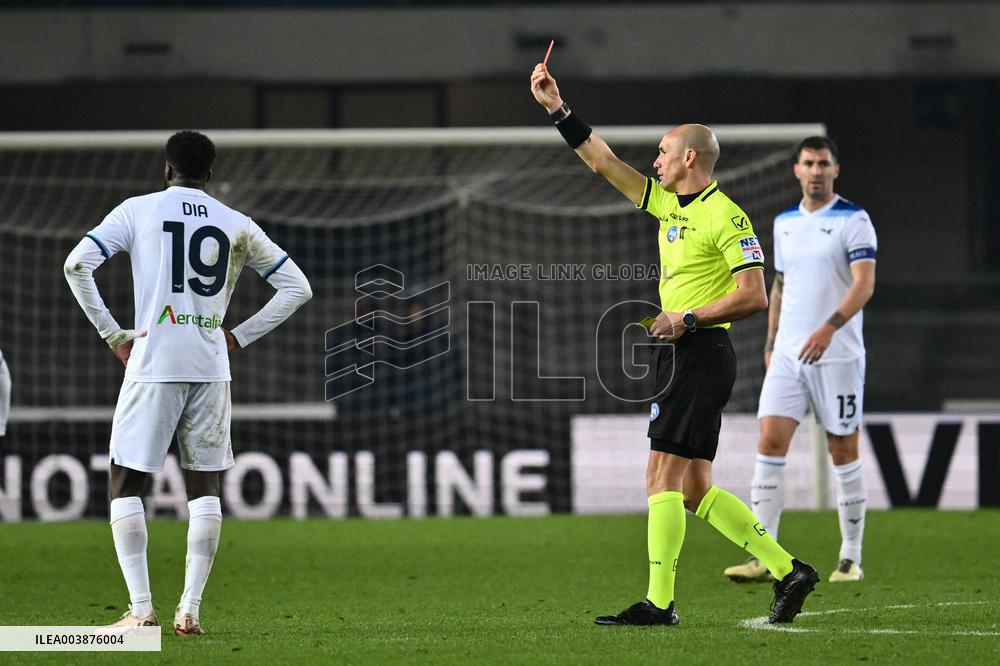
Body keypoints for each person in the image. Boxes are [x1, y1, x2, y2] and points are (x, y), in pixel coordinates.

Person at [530, 64, 818, 625]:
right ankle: (788, 569)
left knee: (660, 475)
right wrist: (556, 108)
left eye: (663, 151)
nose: (654, 160)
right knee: (692, 488)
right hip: (688, 355)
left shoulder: (726, 216)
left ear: (690, 158)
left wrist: (686, 316)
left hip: (701, 353)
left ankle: (659, 603)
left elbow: (754, 294)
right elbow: (603, 162)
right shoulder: (668, 206)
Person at [64, 131, 312, 634]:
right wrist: (236, 338)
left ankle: (141, 611)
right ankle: (190, 611)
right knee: (204, 485)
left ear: (167, 170)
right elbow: (298, 288)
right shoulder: (236, 223)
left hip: (153, 360)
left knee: (125, 479)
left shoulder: (138, 210)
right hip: (209, 365)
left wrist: (113, 334)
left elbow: (77, 264)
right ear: (210, 175)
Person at [724, 136, 876, 584]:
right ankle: (765, 556)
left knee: (842, 449)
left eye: (823, 163)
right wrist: (771, 343)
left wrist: (829, 328)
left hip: (838, 355)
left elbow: (864, 284)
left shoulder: (854, 220)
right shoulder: (784, 222)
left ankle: (850, 557)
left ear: (835, 169)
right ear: (796, 170)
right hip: (788, 354)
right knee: (769, 442)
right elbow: (780, 286)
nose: (815, 170)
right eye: (808, 163)